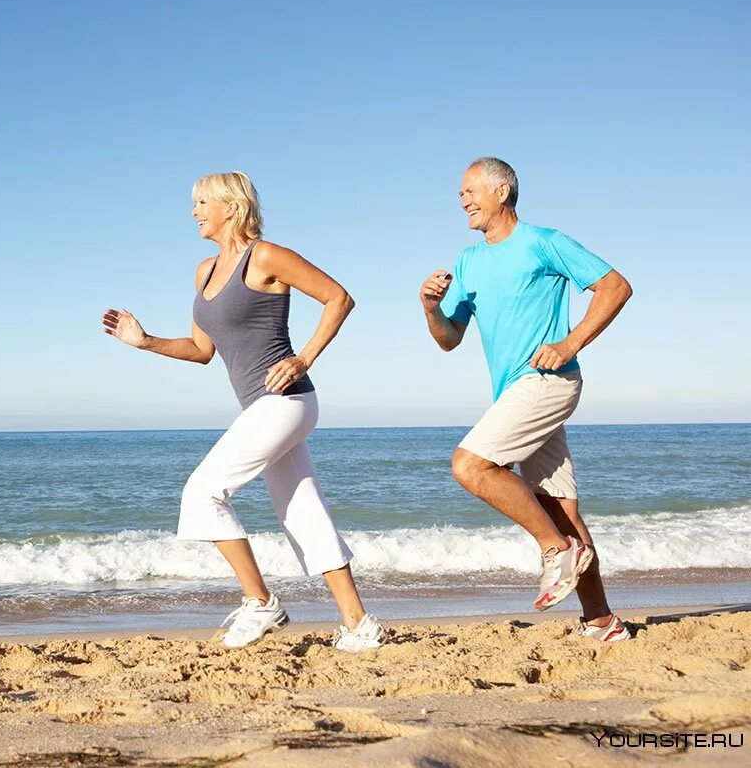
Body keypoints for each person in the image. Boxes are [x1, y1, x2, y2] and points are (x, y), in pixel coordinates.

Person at [102, 171, 384, 652]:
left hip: (287, 400)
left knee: (201, 494)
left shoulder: (266, 256)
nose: (194, 211)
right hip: (264, 406)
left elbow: (339, 298)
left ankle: (260, 602)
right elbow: (200, 349)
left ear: (231, 207)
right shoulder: (204, 271)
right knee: (302, 511)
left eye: (202, 202)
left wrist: (303, 358)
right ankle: (359, 624)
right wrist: (145, 341)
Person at [420, 157, 634, 642]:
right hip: (515, 392)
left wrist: (570, 342)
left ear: (502, 192)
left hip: (549, 381)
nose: (463, 202)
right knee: (563, 510)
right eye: (460, 195)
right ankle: (602, 621)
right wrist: (431, 308)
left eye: (470, 191)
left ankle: (555, 551)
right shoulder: (468, 261)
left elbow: (615, 286)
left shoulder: (544, 242)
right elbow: (449, 338)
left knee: (470, 466)